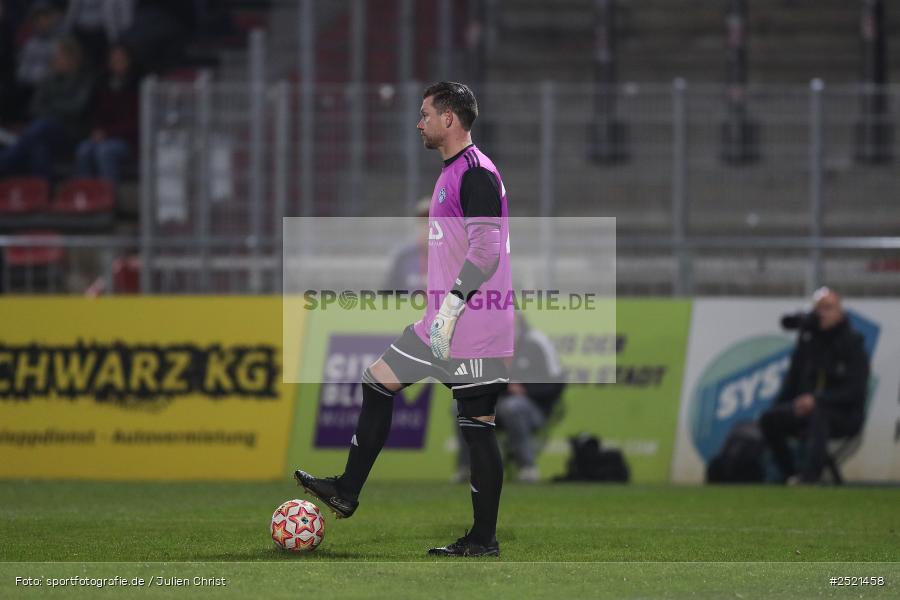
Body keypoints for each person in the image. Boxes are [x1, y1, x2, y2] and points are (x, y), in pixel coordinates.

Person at [295, 82, 513, 557]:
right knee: (377, 382)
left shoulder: (475, 172)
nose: (419, 122)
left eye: (425, 114)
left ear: (449, 119)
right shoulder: (453, 171)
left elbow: (488, 251)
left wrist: (453, 306)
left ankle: (482, 540)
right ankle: (347, 490)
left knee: (477, 425)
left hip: (474, 324)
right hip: (440, 323)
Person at [759, 287, 870, 484]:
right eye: (818, 308)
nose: (822, 314)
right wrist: (781, 407)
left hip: (843, 414)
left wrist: (818, 400)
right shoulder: (809, 340)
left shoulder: (852, 342)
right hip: (808, 409)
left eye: (828, 308)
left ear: (840, 312)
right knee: (769, 419)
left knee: (820, 414)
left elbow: (855, 390)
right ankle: (790, 473)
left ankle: (810, 479)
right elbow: (792, 381)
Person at [456, 313, 566, 483]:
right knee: (462, 407)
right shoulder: (489, 344)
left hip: (534, 407)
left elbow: (557, 382)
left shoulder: (537, 342)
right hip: (497, 403)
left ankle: (527, 467)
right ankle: (467, 468)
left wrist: (526, 390)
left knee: (513, 407)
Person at [0, 36, 92, 180]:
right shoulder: (48, 79)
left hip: (71, 133)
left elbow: (76, 107)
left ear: (72, 58)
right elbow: (34, 107)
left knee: (43, 127)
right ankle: (43, 192)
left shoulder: (84, 79)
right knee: (39, 147)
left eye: (60, 56)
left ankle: (6, 160)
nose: (55, 60)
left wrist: (52, 107)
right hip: (46, 133)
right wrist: (57, 108)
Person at [75, 43, 138, 186]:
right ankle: (86, 194)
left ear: (129, 61)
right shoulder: (102, 84)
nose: (116, 64)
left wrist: (107, 133)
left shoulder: (137, 86)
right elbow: (95, 115)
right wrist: (96, 131)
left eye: (120, 60)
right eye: (113, 60)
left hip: (128, 140)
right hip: (104, 136)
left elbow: (135, 123)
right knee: (83, 149)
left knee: (105, 151)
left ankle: (108, 196)